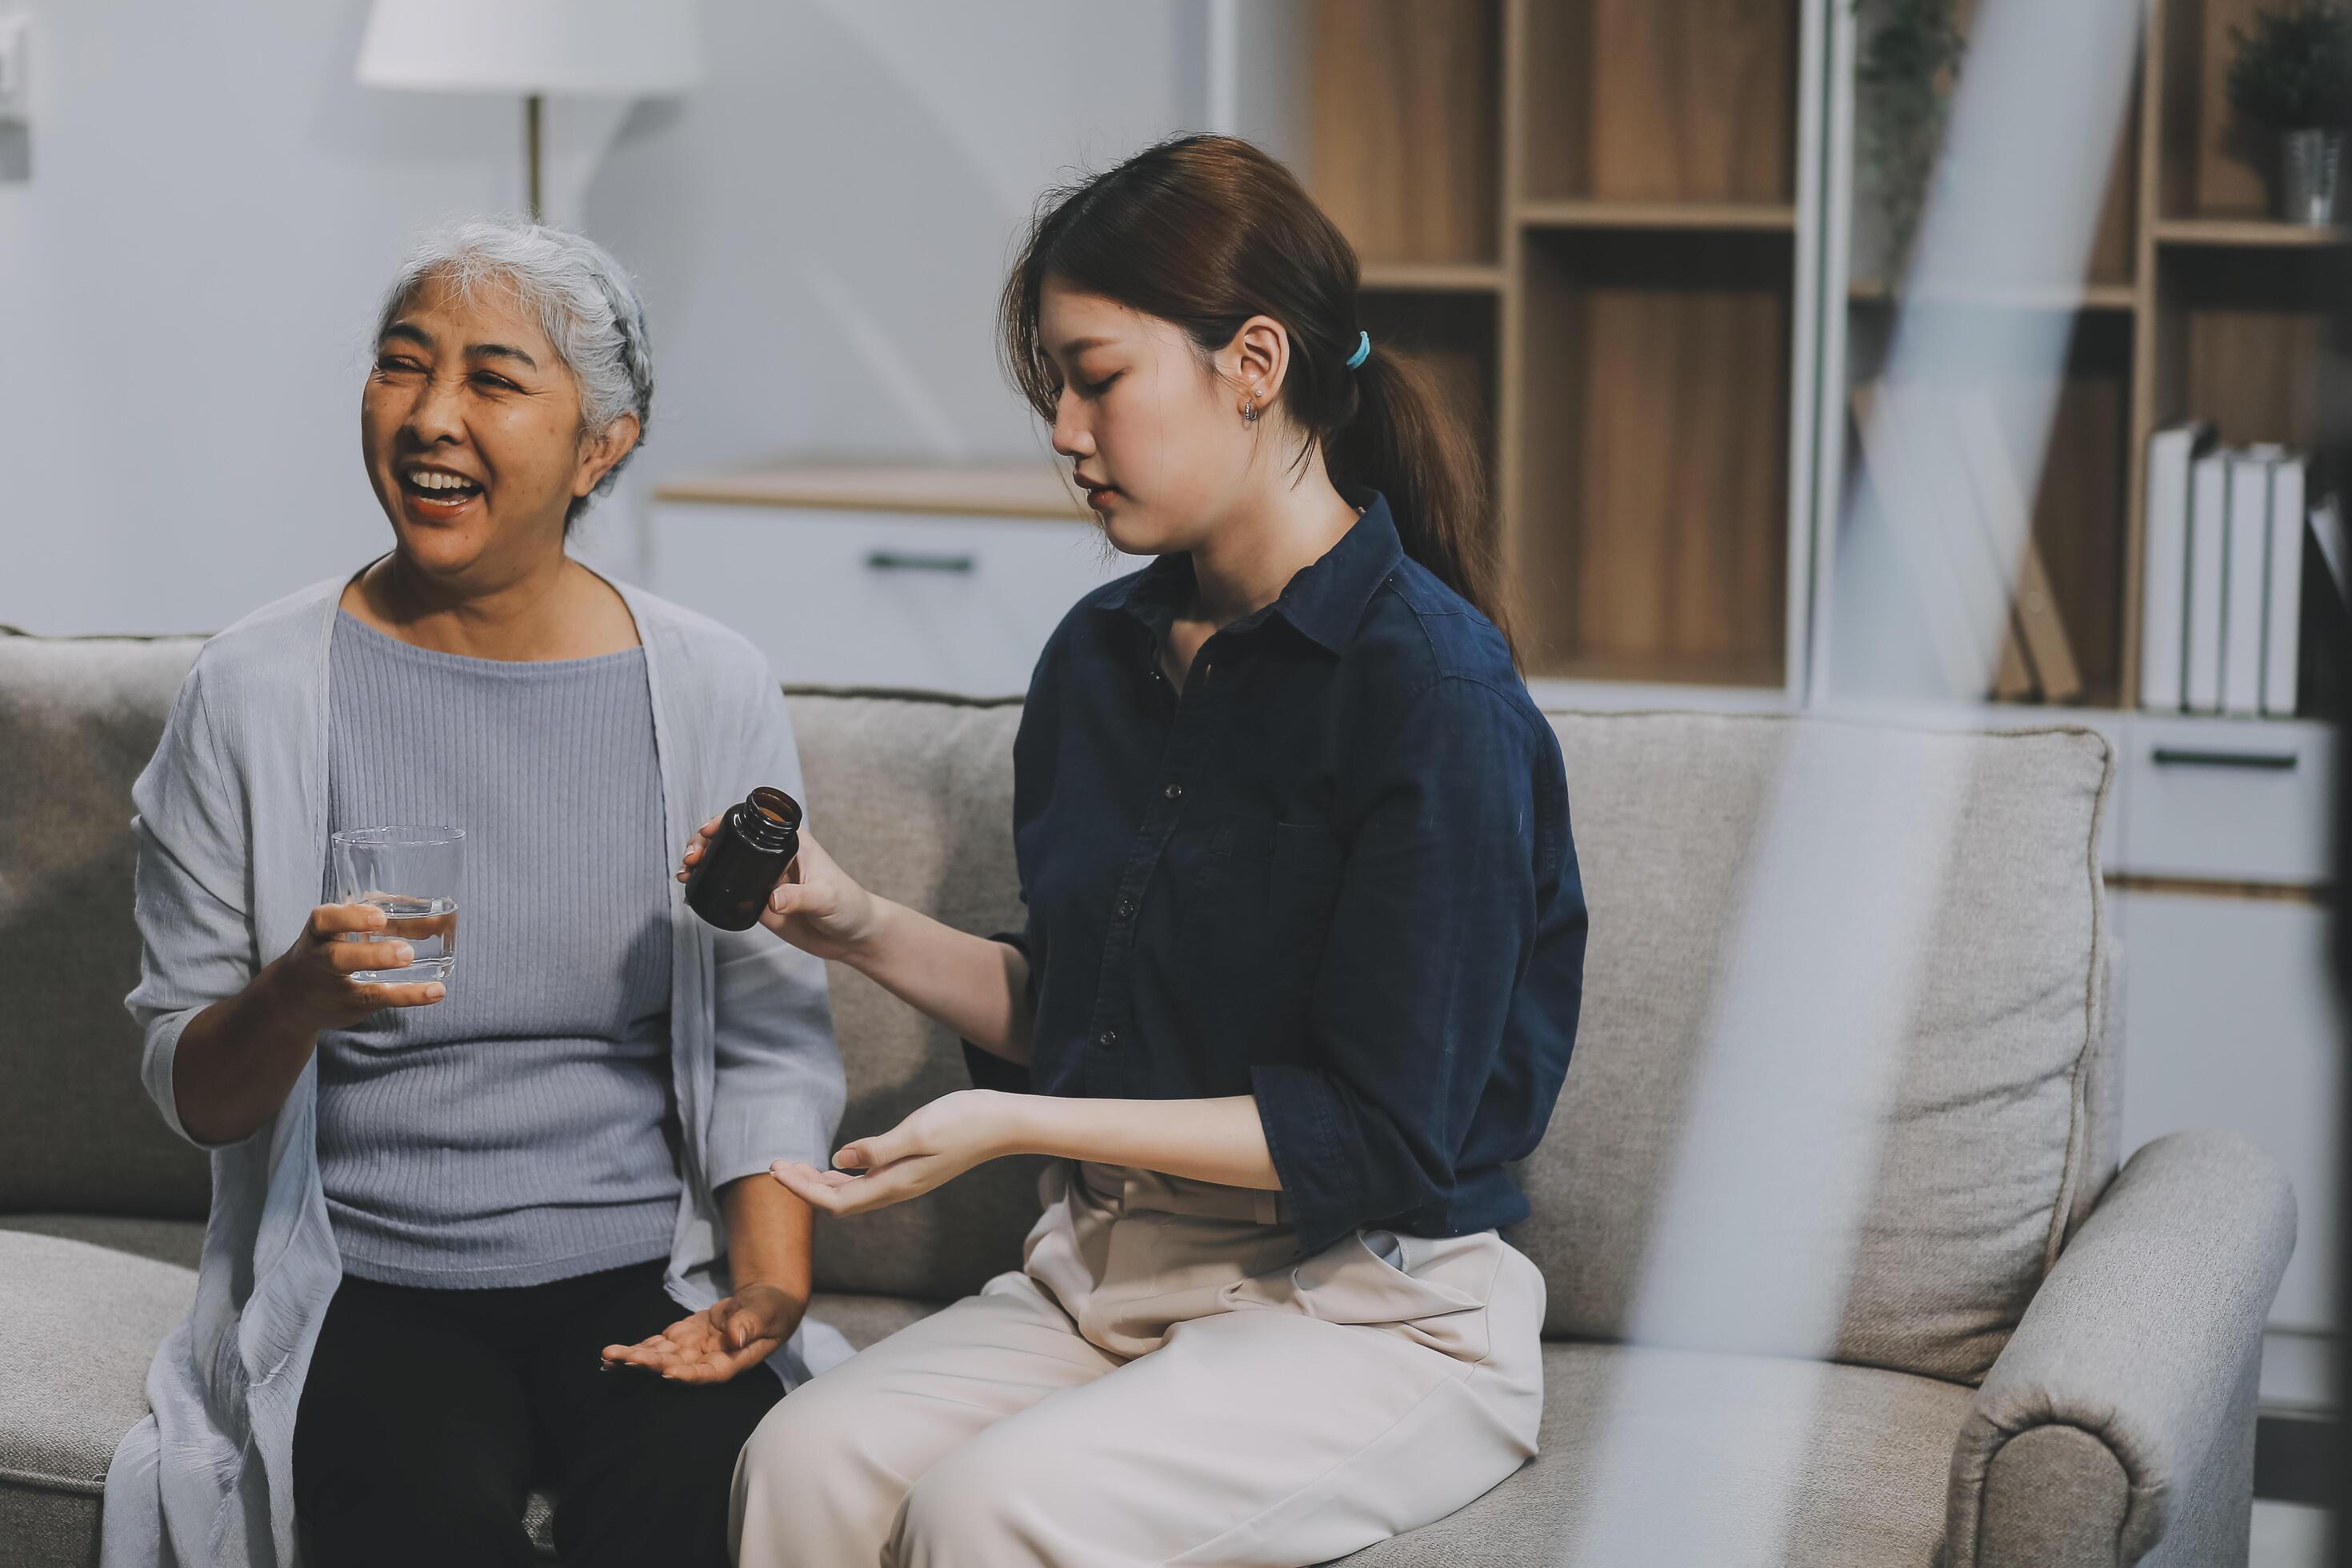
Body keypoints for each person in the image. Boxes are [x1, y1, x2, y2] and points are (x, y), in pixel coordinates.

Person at [720, 134, 1588, 1568]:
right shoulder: (1100, 658)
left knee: (986, 1509)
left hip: (1371, 1313)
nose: (1064, 429)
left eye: (1097, 377)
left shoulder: (1429, 693)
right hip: (1110, 1276)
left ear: (1254, 362)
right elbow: (1089, 1016)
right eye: (1054, 387)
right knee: (799, 1462)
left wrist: (1020, 1125)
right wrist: (856, 920)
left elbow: (1378, 1137)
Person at [103, 218, 847, 1568]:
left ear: (601, 446)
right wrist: (294, 998)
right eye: (403, 367)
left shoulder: (709, 687)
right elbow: (194, 1089)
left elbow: (763, 1031)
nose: (433, 417)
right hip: (372, 1274)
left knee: (705, 1501)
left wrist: (769, 1282)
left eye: (496, 381)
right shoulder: (255, 691)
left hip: (636, 1262)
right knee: (413, 1522)